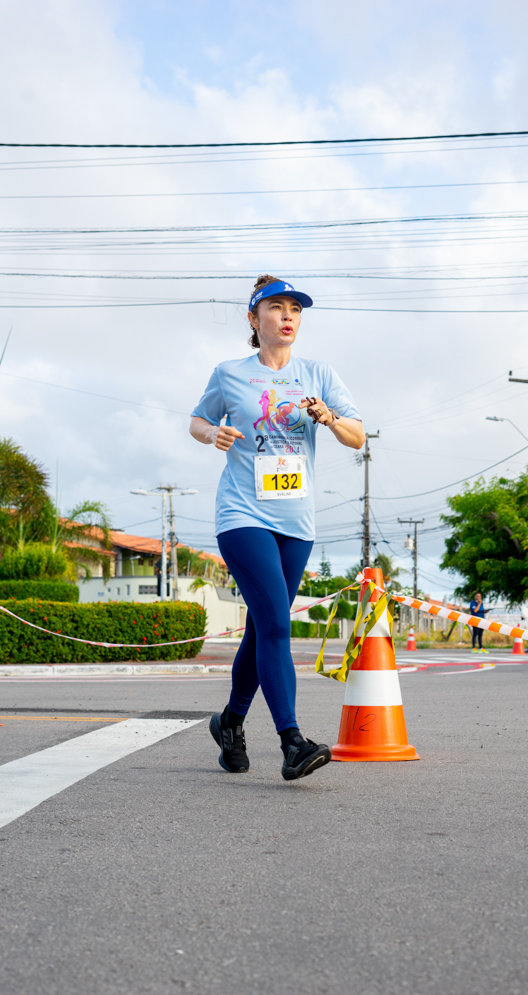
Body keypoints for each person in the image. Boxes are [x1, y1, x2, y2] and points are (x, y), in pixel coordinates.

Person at [190, 275, 365, 780]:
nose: (288, 316)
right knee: (275, 627)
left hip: (296, 522)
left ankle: (229, 722)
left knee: (263, 627)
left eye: (295, 309)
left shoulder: (318, 374)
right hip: (243, 515)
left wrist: (328, 417)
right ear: (254, 318)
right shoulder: (230, 373)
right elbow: (196, 422)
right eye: (276, 307)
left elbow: (356, 436)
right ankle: (291, 741)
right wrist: (214, 433)